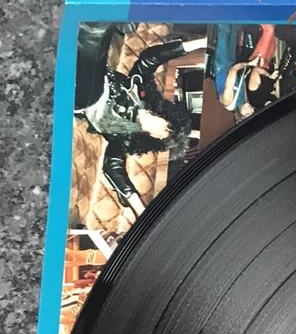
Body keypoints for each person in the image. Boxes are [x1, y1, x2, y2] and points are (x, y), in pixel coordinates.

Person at [74, 23, 205, 220]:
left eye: (163, 133)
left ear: (154, 137)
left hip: (84, 99)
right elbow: (150, 58)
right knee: (94, 50)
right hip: (96, 72)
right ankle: (100, 26)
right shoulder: (141, 92)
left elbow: (113, 168)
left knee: (96, 37)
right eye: (167, 124)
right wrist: (202, 43)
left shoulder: (124, 136)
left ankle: (97, 27)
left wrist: (141, 212)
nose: (162, 126)